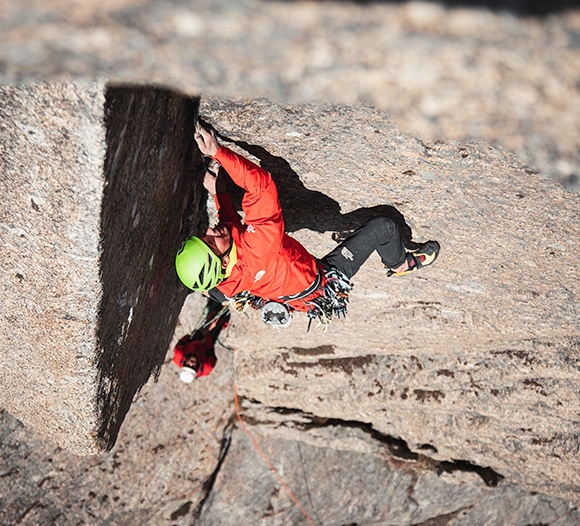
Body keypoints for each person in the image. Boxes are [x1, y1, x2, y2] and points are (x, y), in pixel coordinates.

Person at [175, 124, 439, 327]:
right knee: (385, 227)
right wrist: (218, 153)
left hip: (290, 293)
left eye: (203, 235)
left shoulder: (222, 282)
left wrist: (219, 194)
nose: (209, 230)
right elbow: (261, 186)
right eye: (209, 241)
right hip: (322, 283)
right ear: (222, 263)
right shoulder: (260, 246)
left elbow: (231, 234)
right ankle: (400, 264)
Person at [172, 299, 230, 383]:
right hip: (206, 347)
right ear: (196, 369)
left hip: (194, 340)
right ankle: (226, 314)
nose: (191, 363)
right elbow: (210, 352)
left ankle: (214, 303)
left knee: (210, 319)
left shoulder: (179, 354)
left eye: (188, 365)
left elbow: (183, 341)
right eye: (192, 366)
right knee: (218, 326)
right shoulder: (206, 367)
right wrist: (207, 336)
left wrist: (190, 336)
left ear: (184, 364)